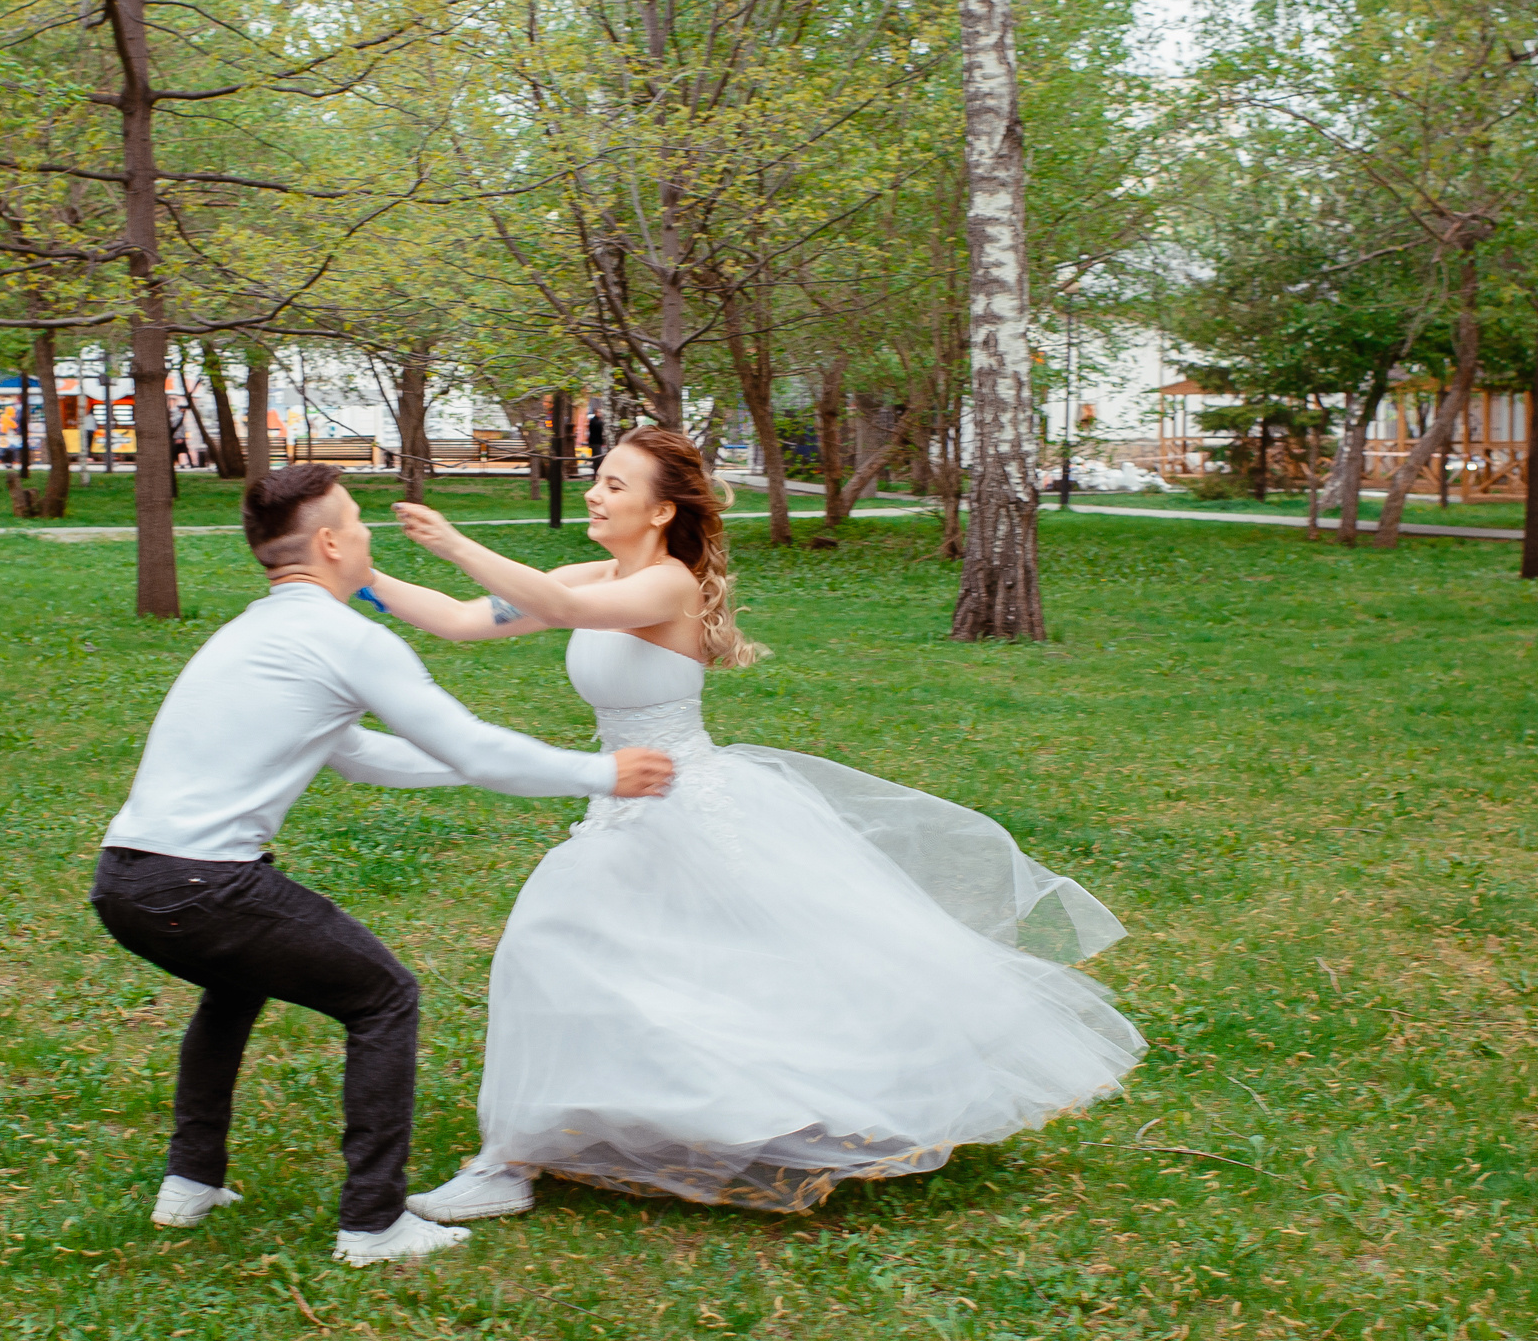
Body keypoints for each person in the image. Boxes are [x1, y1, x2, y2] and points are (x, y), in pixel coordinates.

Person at [363, 428, 1144, 1221]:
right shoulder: (589, 572)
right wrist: (358, 579)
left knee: (628, 951)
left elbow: (558, 608)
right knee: (593, 955)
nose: (596, 494)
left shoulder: (666, 586)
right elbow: (464, 621)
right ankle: (530, 1148)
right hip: (622, 798)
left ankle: (524, 1157)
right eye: (597, 481)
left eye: (614, 485)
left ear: (662, 510)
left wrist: (456, 540)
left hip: (682, 801)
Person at [90, 464, 677, 1265]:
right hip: (205, 884)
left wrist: (472, 765)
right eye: (358, 521)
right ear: (330, 543)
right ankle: (373, 1222)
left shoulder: (258, 630)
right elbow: (469, 742)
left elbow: (357, 753)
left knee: (235, 982)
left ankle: (190, 1180)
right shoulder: (346, 637)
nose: (367, 534)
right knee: (384, 997)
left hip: (126, 880)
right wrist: (598, 773)